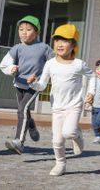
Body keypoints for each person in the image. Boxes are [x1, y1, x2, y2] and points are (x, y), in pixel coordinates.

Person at [27, 24, 95, 176]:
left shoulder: (79, 64)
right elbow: (41, 85)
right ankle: (60, 164)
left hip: (74, 106)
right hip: (57, 108)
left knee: (68, 131)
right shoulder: (50, 64)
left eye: (65, 40)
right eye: (57, 40)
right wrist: (32, 82)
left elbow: (93, 76)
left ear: (73, 45)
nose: (59, 44)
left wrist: (91, 92)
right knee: (57, 140)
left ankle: (77, 135)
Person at [0, 15, 54, 155]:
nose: (24, 32)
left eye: (28, 29)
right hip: (19, 83)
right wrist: (11, 68)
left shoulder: (44, 48)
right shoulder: (17, 48)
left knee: (22, 109)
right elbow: (4, 63)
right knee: (24, 110)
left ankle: (19, 141)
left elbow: (54, 63)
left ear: (37, 33)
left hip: (34, 84)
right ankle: (31, 125)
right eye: (21, 29)